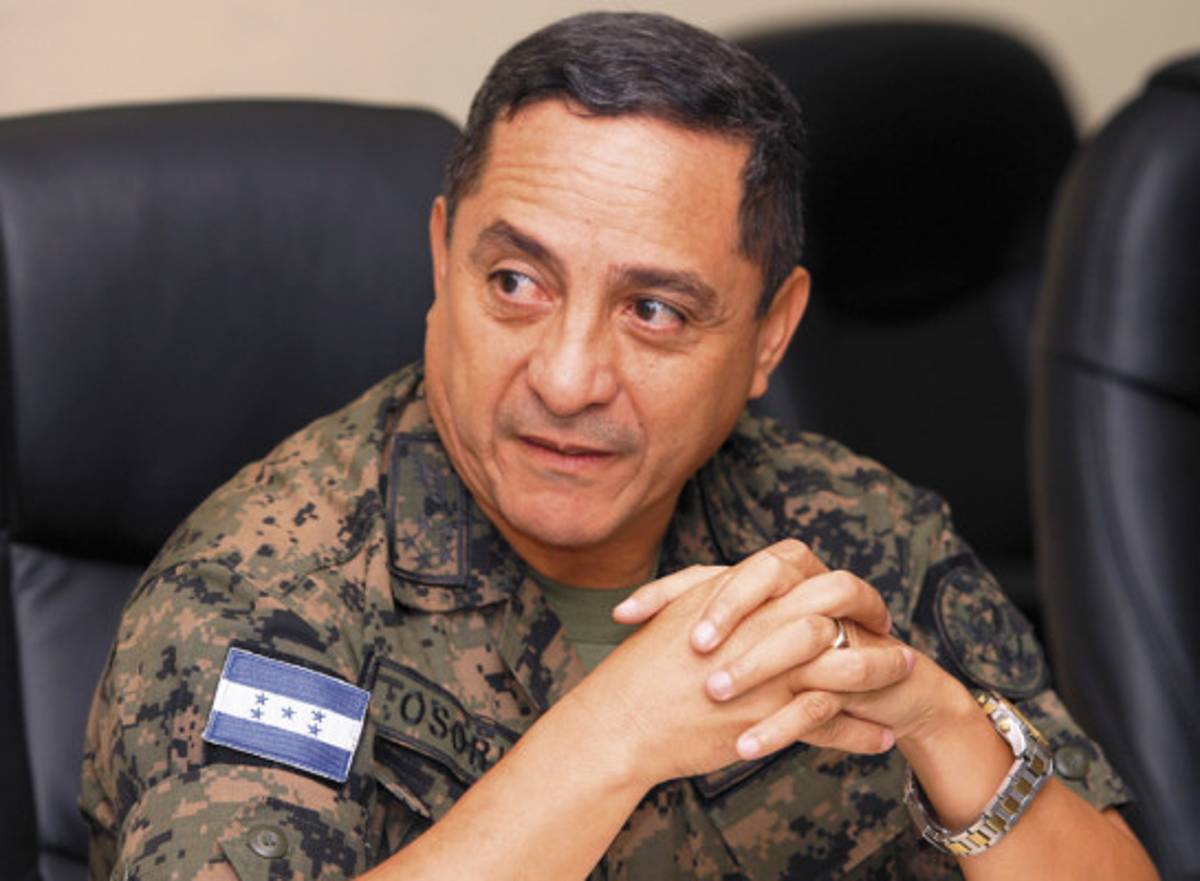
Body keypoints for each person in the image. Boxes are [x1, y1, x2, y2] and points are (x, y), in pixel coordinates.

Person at [80, 11, 1158, 881]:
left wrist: (944, 724)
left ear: (770, 334)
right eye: (516, 282)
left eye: (653, 311)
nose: (566, 378)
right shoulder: (263, 594)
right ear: (443, 258)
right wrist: (613, 738)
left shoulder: (854, 532)